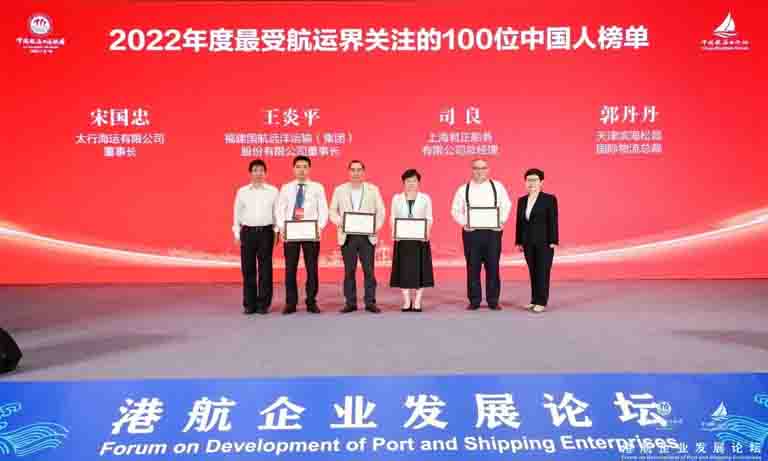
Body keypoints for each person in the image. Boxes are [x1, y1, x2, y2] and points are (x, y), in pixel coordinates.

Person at [450, 158, 511, 310]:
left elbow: (506, 205)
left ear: (488, 170)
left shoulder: (498, 187)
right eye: (476, 168)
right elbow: (455, 210)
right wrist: (465, 223)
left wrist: (500, 221)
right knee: (473, 267)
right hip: (472, 233)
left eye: (483, 168)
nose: (480, 171)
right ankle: (474, 300)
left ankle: (493, 300)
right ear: (472, 170)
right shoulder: (463, 189)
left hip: (493, 233)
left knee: (493, 267)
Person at [329, 160, 386, 313]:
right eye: (353, 170)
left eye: (359, 170)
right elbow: (332, 211)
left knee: (369, 271)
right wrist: (341, 222)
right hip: (347, 236)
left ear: (363, 172)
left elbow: (381, 211)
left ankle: (370, 302)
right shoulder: (339, 190)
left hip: (367, 236)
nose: (356, 173)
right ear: (348, 172)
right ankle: (350, 302)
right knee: (349, 271)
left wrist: (374, 227)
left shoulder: (373, 189)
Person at [275, 156, 329, 314]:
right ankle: (290, 303)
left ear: (309, 169)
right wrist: (282, 227)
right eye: (298, 166)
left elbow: (323, 209)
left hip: (311, 232)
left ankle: (311, 301)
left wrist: (319, 227)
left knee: (312, 268)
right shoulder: (286, 188)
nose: (301, 170)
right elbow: (279, 209)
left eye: (305, 167)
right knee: (290, 269)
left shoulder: (317, 187)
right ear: (293, 169)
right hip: (291, 232)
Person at [232, 159, 279, 315]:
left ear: (265, 173)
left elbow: (277, 213)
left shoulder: (273, 191)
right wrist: (237, 233)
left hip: (266, 232)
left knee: (265, 269)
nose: (258, 173)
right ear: (250, 173)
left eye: (261, 170)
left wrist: (277, 231)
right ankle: (249, 304)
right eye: (255, 170)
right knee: (248, 269)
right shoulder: (242, 191)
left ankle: (263, 304)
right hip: (247, 232)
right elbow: (237, 214)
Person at [390, 169, 434, 312]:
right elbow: (393, 217)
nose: (411, 183)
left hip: (420, 240)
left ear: (418, 182)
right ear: (403, 182)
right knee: (403, 271)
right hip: (403, 239)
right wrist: (395, 232)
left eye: (414, 181)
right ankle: (406, 301)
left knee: (421, 271)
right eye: (408, 181)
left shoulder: (425, 198)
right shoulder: (396, 198)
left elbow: (429, 218)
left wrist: (426, 232)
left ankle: (418, 301)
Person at [515, 168, 559, 313]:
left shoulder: (549, 199)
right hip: (527, 242)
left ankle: (541, 301)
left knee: (543, 272)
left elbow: (553, 220)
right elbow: (519, 222)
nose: (531, 183)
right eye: (528, 180)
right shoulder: (522, 200)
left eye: (534, 180)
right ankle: (534, 300)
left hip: (544, 242)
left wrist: (553, 240)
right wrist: (519, 241)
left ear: (541, 182)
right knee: (533, 271)